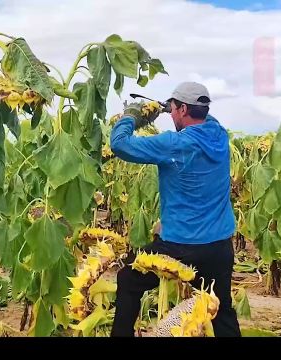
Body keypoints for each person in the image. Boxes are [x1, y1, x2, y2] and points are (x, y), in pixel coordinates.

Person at [109, 82, 241, 337]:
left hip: (181, 246)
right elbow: (202, 114)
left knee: (128, 279)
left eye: (173, 110)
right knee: (221, 308)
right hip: (219, 245)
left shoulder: (174, 144)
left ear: (182, 108)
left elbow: (120, 144)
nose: (170, 115)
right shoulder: (219, 135)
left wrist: (132, 116)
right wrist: (169, 105)